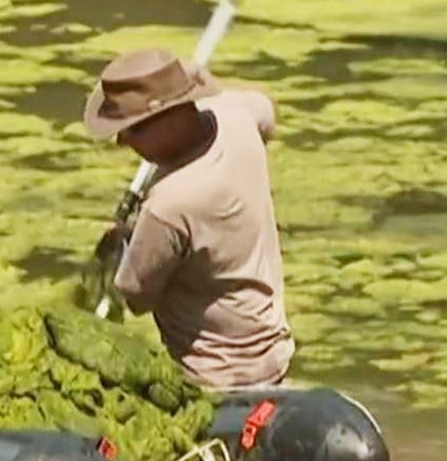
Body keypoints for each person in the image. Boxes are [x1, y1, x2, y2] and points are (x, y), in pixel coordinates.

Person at [83, 47, 293, 391]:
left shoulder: (168, 205)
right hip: (272, 353)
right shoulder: (235, 116)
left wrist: (122, 244)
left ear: (167, 119)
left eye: (131, 130)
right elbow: (266, 111)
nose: (122, 141)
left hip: (212, 377)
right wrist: (211, 87)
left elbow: (136, 296)